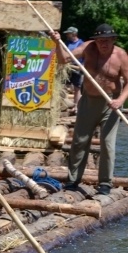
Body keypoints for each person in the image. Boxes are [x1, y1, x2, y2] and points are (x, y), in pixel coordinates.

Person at [50, 24, 128, 196]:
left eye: (106, 41)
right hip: (88, 102)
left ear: (113, 40)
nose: (103, 44)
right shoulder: (87, 48)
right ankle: (73, 180)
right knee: (80, 141)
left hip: (111, 104)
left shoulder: (121, 55)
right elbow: (63, 60)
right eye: (100, 41)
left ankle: (105, 183)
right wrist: (57, 42)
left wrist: (120, 100)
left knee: (107, 144)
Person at [63, 26, 84, 113]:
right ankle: (63, 104)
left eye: (69, 33)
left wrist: (82, 66)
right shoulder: (67, 43)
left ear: (74, 34)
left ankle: (76, 106)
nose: (67, 35)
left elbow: (84, 57)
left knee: (77, 88)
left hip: (76, 67)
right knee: (63, 86)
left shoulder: (81, 44)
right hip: (67, 67)